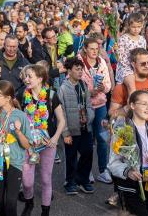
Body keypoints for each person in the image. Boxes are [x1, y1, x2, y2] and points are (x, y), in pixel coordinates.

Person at [108, 90, 148, 216]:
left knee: (146, 210)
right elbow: (112, 163)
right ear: (132, 105)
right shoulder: (122, 129)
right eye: (144, 104)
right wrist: (128, 171)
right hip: (128, 185)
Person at [19, 65, 65, 216]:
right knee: (27, 182)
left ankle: (45, 211)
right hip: (28, 144)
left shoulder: (51, 95)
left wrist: (55, 138)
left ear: (40, 79)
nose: (26, 79)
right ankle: (29, 202)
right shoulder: (21, 95)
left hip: (47, 144)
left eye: (29, 76)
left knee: (46, 179)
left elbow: (61, 121)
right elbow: (16, 117)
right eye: (25, 76)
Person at [0, 80, 32, 216]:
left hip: (14, 163)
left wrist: (18, 132)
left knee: (11, 202)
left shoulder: (20, 116)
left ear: (8, 98)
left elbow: (27, 144)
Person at [77, 37, 112, 184]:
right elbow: (73, 84)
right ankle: (87, 171)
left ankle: (103, 170)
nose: (94, 51)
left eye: (96, 49)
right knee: (87, 140)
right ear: (85, 48)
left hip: (101, 105)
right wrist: (88, 92)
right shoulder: (78, 63)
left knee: (103, 138)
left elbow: (108, 83)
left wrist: (104, 88)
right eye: (91, 48)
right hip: (85, 106)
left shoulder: (102, 62)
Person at [57, 57, 95, 195]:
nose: (80, 72)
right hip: (72, 130)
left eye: (81, 69)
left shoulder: (83, 85)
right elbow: (61, 112)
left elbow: (89, 104)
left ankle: (83, 179)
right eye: (77, 69)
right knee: (71, 157)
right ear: (69, 71)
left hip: (85, 127)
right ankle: (70, 181)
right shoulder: (63, 88)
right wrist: (65, 132)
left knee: (87, 153)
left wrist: (90, 117)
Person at [109, 48, 148, 123]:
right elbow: (111, 114)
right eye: (143, 64)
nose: (147, 66)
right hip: (130, 131)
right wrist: (129, 107)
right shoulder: (122, 87)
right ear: (133, 64)